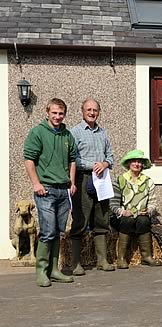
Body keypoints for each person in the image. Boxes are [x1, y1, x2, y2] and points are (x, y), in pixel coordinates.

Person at [24, 98, 77, 287]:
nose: (57, 116)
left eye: (61, 113)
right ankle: (41, 271)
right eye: (54, 113)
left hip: (64, 190)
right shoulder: (38, 132)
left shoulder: (67, 135)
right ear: (47, 112)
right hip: (45, 189)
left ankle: (55, 270)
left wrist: (71, 182)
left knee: (59, 231)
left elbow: (73, 159)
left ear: (65, 114)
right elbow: (29, 159)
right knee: (47, 231)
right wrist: (36, 183)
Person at [70, 98, 115, 275]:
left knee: (102, 218)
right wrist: (93, 165)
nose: (92, 112)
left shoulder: (103, 133)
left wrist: (104, 164)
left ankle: (102, 260)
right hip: (83, 178)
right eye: (88, 109)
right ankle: (75, 263)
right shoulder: (75, 132)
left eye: (95, 110)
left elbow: (111, 156)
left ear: (99, 112)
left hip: (102, 178)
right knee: (80, 219)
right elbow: (73, 159)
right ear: (82, 111)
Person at [110, 150, 162, 269]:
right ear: (128, 163)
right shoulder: (119, 180)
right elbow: (113, 204)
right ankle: (121, 258)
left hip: (141, 215)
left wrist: (149, 210)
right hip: (122, 216)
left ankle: (146, 257)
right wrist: (122, 212)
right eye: (134, 161)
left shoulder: (148, 181)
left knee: (144, 221)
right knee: (127, 221)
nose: (137, 164)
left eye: (139, 162)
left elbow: (153, 203)